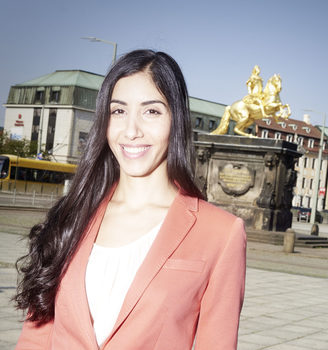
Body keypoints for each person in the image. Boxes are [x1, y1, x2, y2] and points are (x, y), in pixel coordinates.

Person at [14, 49, 246, 350]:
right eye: (119, 111)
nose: (131, 131)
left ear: (176, 120)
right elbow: (36, 336)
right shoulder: (72, 215)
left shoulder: (221, 233)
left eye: (151, 111)